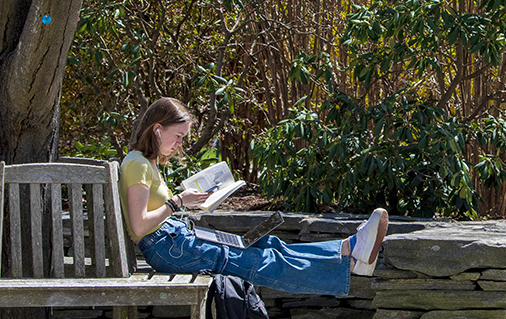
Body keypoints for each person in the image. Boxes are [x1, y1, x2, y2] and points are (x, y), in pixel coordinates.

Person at [118, 97, 388, 295]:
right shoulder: (137, 164)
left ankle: (349, 248)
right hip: (167, 247)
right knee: (259, 261)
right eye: (177, 136)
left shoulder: (146, 162)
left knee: (265, 245)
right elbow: (140, 225)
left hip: (176, 240)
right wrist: (177, 201)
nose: (179, 144)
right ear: (157, 129)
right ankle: (351, 262)